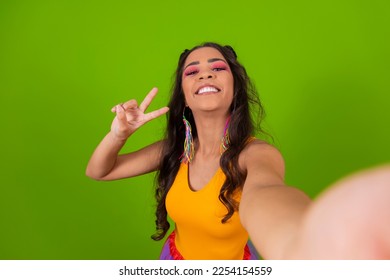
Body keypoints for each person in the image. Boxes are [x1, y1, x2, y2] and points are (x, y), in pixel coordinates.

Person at [86, 42, 390, 260]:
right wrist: (118, 134)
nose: (205, 75)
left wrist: (301, 245)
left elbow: (268, 193)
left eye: (217, 68)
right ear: (186, 99)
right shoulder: (174, 149)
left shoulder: (256, 155)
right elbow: (99, 171)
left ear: (234, 90)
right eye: (192, 72)